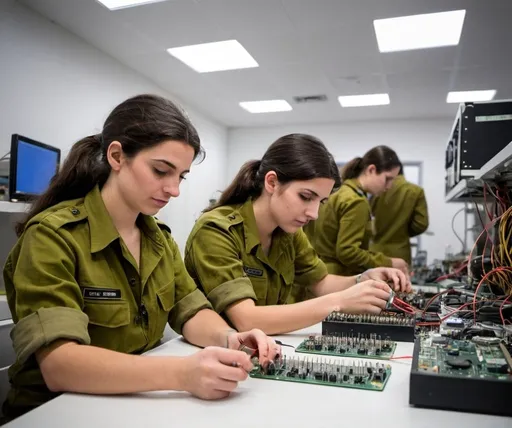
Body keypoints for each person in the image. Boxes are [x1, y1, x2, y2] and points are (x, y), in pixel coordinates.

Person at [1, 94, 278, 423]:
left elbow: (191, 309)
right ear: (117, 156)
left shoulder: (158, 239)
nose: (173, 189)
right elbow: (60, 365)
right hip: (57, 411)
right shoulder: (52, 236)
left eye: (181, 176)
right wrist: (180, 374)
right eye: (161, 171)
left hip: (130, 403)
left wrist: (228, 338)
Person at [184, 134, 411, 336]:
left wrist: (363, 278)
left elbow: (320, 282)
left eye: (320, 202)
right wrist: (340, 302)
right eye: (305, 196)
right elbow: (246, 320)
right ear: (272, 182)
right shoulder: (216, 231)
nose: (313, 214)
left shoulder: (288, 232)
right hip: (213, 359)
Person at [306, 146, 408, 276]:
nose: (389, 186)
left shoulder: (338, 191)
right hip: (336, 276)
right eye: (387, 179)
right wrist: (388, 263)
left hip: (313, 273)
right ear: (371, 170)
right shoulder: (356, 201)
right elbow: (347, 251)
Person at [370, 163, 429, 265]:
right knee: (399, 280)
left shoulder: (377, 189)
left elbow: (369, 215)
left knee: (373, 280)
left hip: (375, 253)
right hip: (400, 254)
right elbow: (421, 224)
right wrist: (403, 231)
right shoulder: (416, 191)